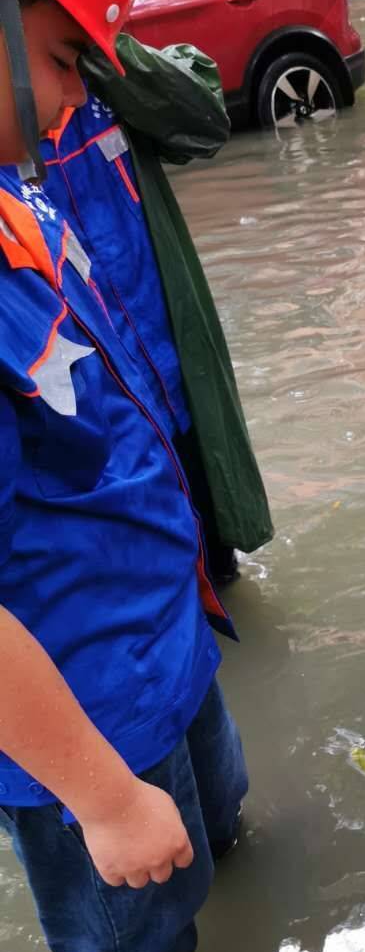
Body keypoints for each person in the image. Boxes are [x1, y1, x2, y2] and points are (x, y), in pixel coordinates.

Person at [0, 0, 248, 952]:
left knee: (221, 827)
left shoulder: (20, 186)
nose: (69, 99)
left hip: (164, 635)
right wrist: (100, 797)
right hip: (81, 712)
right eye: (58, 60)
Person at [38, 33, 273, 585]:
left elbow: (204, 123)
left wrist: (91, 38)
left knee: (217, 569)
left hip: (176, 386)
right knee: (150, 580)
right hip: (104, 418)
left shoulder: (105, 84)